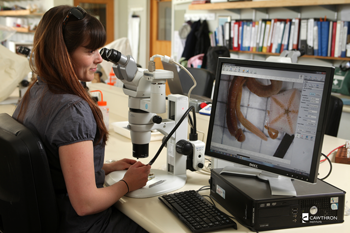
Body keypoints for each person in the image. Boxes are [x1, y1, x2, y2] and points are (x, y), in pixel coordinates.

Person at [12, 5, 151, 233]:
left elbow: (49, 166)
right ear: (62, 54)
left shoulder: (35, 92)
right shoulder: (72, 109)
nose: (99, 59)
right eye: (90, 51)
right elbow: (86, 204)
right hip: (85, 226)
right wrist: (127, 184)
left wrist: (103, 168)